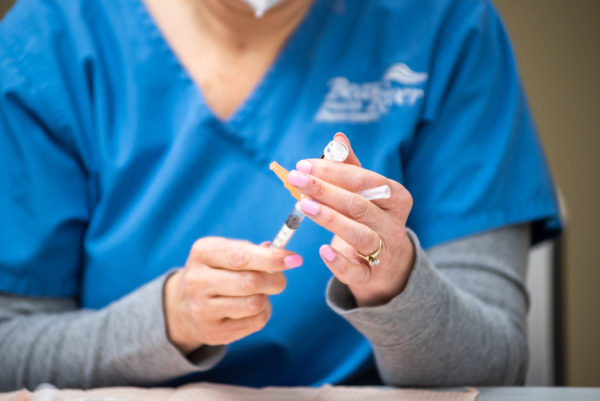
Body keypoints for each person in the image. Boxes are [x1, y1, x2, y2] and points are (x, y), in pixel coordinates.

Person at [0, 0, 561, 391]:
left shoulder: (443, 23)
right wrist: (171, 320)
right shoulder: (51, 41)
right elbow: (10, 352)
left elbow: (497, 362)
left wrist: (394, 280)